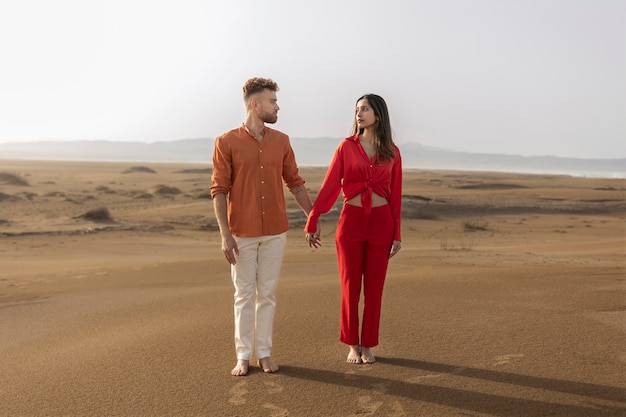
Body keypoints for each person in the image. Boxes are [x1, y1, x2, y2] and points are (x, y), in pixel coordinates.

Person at [211, 77, 316, 376]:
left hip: (275, 231)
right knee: (243, 295)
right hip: (241, 233)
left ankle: (265, 353)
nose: (278, 106)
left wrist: (313, 216)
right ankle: (243, 355)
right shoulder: (226, 142)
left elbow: (294, 182)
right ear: (255, 104)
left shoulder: (281, 141)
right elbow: (219, 190)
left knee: (267, 293)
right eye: (273, 101)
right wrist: (225, 235)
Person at [305, 93, 402, 364]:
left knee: (375, 289)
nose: (359, 114)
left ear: (378, 115)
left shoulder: (393, 152)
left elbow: (395, 196)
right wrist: (313, 218)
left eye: (365, 109)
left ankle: (368, 345)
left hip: (382, 223)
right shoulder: (346, 147)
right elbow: (330, 187)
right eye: (357, 110)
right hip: (351, 222)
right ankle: (352, 344)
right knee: (350, 287)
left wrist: (397, 234)